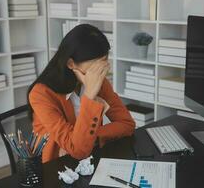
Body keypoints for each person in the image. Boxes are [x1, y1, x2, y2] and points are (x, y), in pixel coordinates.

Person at [28, 24, 135, 163]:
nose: (103, 70)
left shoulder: (99, 81)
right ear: (71, 64)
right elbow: (78, 150)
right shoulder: (41, 94)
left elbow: (127, 124)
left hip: (89, 158)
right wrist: (89, 95)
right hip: (56, 164)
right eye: (96, 65)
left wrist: (91, 138)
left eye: (105, 62)